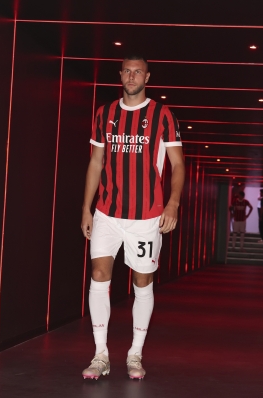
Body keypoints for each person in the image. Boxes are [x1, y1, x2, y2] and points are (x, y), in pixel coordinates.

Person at [80, 54, 185, 380]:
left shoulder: (162, 115)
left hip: (146, 217)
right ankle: (100, 355)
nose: (132, 76)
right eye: (127, 71)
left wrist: (173, 203)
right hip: (107, 213)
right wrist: (87, 207)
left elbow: (177, 164)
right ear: (121, 75)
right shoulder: (105, 113)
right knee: (99, 274)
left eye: (138, 71)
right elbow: (96, 162)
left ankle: (135, 353)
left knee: (142, 281)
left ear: (147, 77)